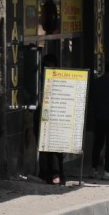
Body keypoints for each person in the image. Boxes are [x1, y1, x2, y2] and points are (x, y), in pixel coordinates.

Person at [88, 62, 109, 181]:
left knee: (97, 144)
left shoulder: (96, 83)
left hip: (99, 118)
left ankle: (94, 169)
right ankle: (106, 171)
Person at [36, 51, 65, 185]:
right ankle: (53, 174)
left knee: (48, 146)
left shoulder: (42, 77)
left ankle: (50, 174)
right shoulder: (43, 77)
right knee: (49, 147)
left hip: (48, 113)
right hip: (49, 114)